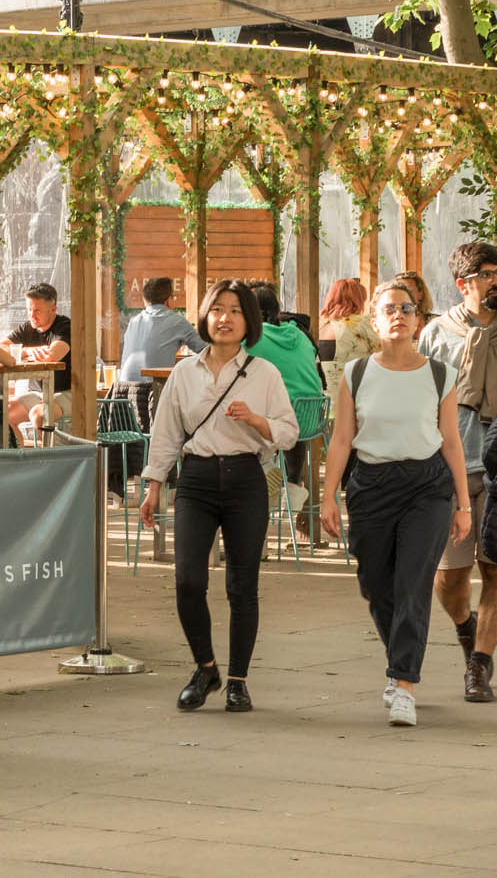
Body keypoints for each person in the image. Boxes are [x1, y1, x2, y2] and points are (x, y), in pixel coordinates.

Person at [139, 279, 299, 714]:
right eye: (217, 310)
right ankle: (205, 667)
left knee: (242, 587)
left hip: (246, 479)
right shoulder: (183, 373)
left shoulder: (263, 373)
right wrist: (153, 485)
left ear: (249, 320)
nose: (224, 318)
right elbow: (166, 434)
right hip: (196, 481)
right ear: (205, 317)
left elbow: (288, 432)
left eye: (235, 311)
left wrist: (258, 422)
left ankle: (238, 682)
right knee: (188, 581)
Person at [321, 280, 469, 728]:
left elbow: (451, 442)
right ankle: (397, 660)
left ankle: (404, 684)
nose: (399, 315)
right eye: (389, 309)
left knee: (412, 584)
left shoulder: (440, 373)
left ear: (418, 319)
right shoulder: (358, 373)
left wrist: (463, 503)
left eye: (407, 308)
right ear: (374, 318)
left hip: (426, 486)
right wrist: (328, 495)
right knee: (377, 584)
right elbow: (342, 438)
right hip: (371, 484)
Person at [418, 241, 497, 703]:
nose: (496, 280)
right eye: (486, 274)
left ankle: (479, 665)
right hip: (452, 468)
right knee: (449, 576)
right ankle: (467, 627)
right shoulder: (436, 333)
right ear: (464, 284)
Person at [115, 277, 198, 495]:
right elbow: (205, 351)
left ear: (145, 301)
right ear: (170, 300)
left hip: (122, 398)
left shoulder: (134, 321)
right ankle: (176, 484)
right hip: (154, 396)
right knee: (194, 418)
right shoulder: (177, 321)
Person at [247, 280, 320, 489]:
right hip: (312, 417)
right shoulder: (300, 334)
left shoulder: (252, 339)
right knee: (289, 408)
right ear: (278, 310)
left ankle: (262, 472)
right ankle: (293, 482)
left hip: (280, 422)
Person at [0, 283, 70, 442]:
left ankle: (53, 463)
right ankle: (21, 462)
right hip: (38, 394)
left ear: (53, 309)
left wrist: (19, 352)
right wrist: (26, 351)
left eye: (37, 310)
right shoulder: (28, 327)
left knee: (38, 414)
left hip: (67, 392)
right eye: (29, 310)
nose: (32, 315)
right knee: (1, 414)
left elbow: (51, 356)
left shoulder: (64, 326)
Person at [321, 277, 376, 364]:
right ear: (358, 301)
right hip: (354, 376)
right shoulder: (362, 323)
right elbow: (382, 353)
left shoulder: (320, 324)